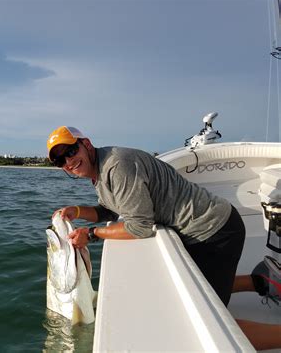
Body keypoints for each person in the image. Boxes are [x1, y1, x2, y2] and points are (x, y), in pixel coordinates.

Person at [47, 125, 281, 350]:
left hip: (214, 231)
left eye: (70, 151)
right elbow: (108, 210)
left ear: (86, 144)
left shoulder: (117, 166)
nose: (68, 161)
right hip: (201, 230)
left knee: (207, 319)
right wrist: (76, 211)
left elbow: (140, 227)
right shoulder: (101, 169)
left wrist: (91, 234)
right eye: (60, 161)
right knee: (202, 283)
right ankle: (261, 280)